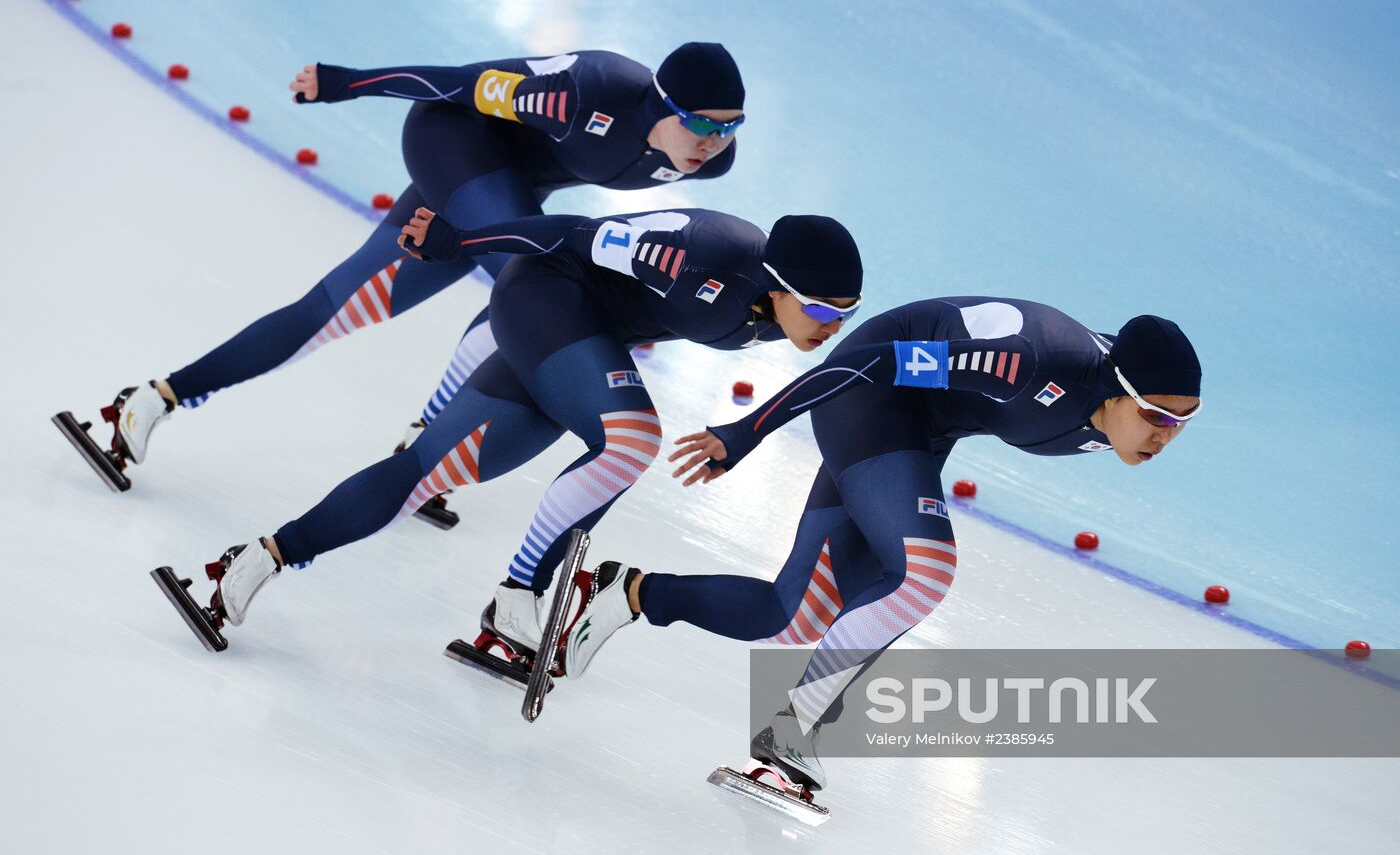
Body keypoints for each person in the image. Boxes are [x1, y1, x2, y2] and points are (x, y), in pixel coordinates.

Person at [152, 207, 865, 680]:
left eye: (846, 314)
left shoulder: (781, 315)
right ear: (774, 284)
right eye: (822, 309)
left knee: (421, 474)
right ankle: (520, 594)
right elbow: (565, 231)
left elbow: (839, 361)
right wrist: (459, 241)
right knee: (630, 439)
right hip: (544, 299)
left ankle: (245, 564)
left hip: (583, 333)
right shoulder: (699, 259)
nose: (830, 325)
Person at [55, 43, 747, 511]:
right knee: (541, 292)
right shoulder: (579, 94)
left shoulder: (708, 156)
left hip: (505, 188)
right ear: (659, 105)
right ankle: (153, 403)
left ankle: (147, 401)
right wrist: (345, 83)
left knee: (339, 305)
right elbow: (453, 82)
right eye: (701, 124)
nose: (715, 143)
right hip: (453, 141)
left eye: (731, 127)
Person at [561, 298, 1203, 797]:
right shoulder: (1028, 362)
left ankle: (628, 592)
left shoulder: (1120, 412)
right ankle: (792, 735)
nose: (1166, 437)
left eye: (1182, 423)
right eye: (1155, 418)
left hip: (922, 426)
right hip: (868, 395)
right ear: (1116, 388)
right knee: (923, 572)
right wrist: (747, 429)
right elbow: (866, 364)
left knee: (794, 616)